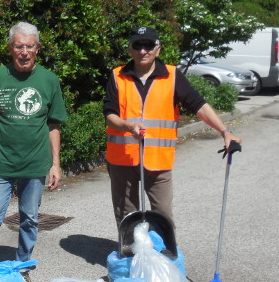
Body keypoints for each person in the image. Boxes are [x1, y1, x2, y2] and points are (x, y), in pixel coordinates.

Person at [104, 26, 242, 229]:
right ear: (130, 49)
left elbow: (199, 105)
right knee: (127, 215)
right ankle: (131, 253)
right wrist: (128, 125)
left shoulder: (172, 75)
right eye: (138, 45)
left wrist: (225, 131)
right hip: (122, 159)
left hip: (158, 161)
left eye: (149, 45)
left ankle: (165, 255)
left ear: (158, 49)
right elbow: (109, 115)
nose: (143, 51)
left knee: (163, 215)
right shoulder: (118, 76)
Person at [0, 21, 68, 276]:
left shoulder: (49, 80)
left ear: (38, 48)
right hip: (1, 165)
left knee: (29, 219)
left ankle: (22, 267)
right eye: (19, 46)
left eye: (30, 46)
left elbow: (54, 125)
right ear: (10, 48)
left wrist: (55, 163)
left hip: (35, 166)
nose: (24, 52)